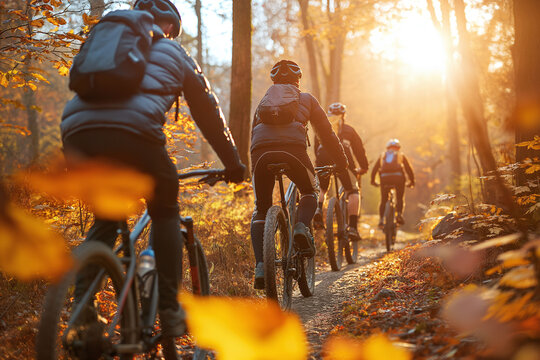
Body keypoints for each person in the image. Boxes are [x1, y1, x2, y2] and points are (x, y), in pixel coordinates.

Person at [60, 0, 245, 340]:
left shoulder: (105, 43)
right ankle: (170, 309)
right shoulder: (172, 53)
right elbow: (208, 111)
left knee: (106, 218)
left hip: (76, 134)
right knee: (164, 206)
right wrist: (233, 163)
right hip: (134, 134)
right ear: (170, 26)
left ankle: (81, 313)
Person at [250, 60, 348, 289]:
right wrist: (342, 162)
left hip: (261, 154)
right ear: (298, 81)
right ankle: (302, 227)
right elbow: (327, 134)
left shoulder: (263, 102)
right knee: (310, 190)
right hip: (293, 152)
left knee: (261, 208)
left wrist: (254, 166)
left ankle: (262, 267)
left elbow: (254, 136)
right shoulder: (307, 99)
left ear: (274, 81)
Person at [313, 102, 369, 241]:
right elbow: (359, 150)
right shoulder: (349, 130)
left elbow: (316, 148)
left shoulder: (322, 128)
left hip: (322, 158)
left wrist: (321, 161)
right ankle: (353, 228)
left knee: (322, 188)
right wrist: (364, 166)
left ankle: (319, 209)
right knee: (353, 191)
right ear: (344, 115)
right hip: (343, 161)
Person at [370, 139, 415, 227]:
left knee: (383, 199)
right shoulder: (400, 155)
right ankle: (399, 214)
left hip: (384, 179)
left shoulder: (382, 155)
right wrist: (412, 181)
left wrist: (373, 181)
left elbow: (375, 169)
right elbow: (408, 169)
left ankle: (381, 219)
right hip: (398, 179)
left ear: (387, 148)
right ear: (398, 148)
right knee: (399, 197)